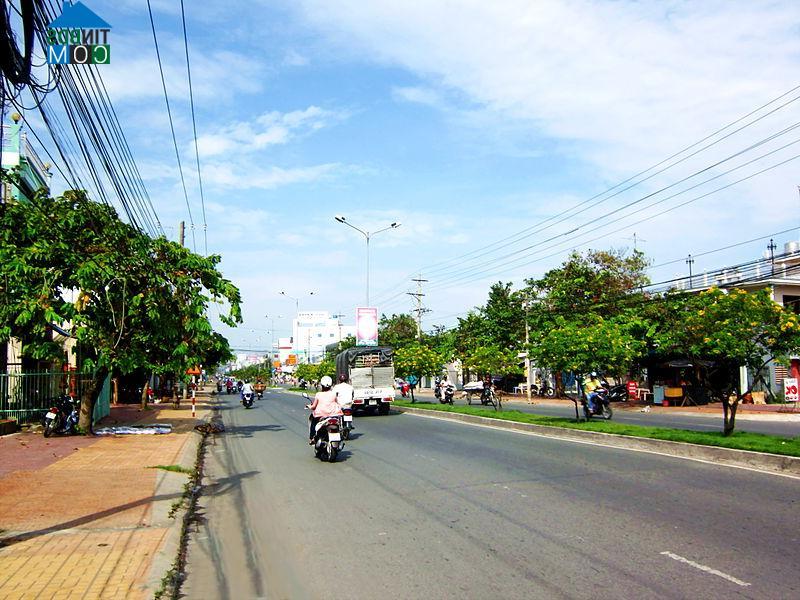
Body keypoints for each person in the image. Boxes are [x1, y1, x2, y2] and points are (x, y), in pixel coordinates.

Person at [307, 375, 342, 444]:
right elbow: (338, 403)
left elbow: (314, 406)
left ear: (322, 385)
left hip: (321, 416)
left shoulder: (318, 394)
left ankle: (312, 438)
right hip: (334, 415)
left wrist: (309, 406)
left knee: (313, 422)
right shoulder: (334, 394)